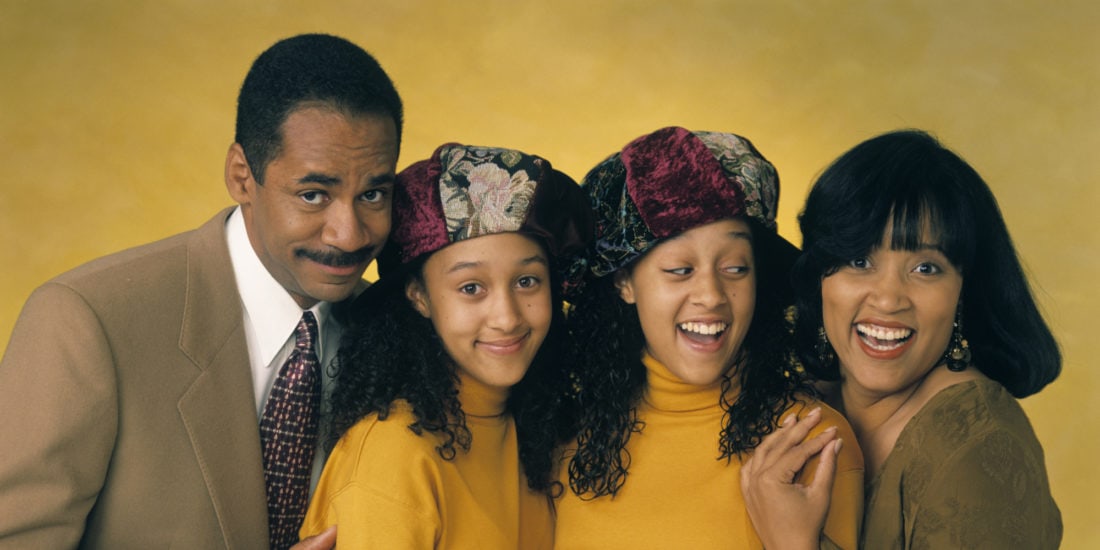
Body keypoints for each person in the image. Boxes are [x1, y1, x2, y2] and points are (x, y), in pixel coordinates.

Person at [0, 33, 402, 549]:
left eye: (373, 193)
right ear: (241, 176)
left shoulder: (397, 331)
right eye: (313, 194)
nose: (349, 234)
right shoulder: (87, 320)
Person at [749, 129, 1062, 548]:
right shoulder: (803, 406)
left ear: (962, 291)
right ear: (818, 277)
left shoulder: (979, 445)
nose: (888, 299)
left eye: (926, 268)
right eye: (859, 260)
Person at [554, 126, 864, 549]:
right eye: (680, 269)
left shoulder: (810, 441)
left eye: (735, 267)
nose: (712, 296)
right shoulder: (569, 440)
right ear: (624, 282)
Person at [299, 143, 592, 548]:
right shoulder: (394, 456)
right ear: (419, 296)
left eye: (527, 281)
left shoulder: (535, 433)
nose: (507, 317)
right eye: (471, 288)